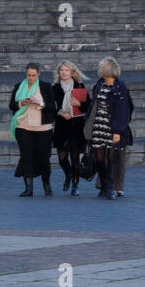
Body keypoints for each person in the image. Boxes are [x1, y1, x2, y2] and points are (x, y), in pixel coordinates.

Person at [85, 56, 131, 200]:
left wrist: (118, 131)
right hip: (98, 126)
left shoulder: (120, 87)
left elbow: (123, 110)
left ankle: (110, 187)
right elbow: (93, 105)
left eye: (101, 67)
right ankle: (104, 186)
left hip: (112, 127)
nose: (99, 70)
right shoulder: (99, 85)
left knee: (111, 159)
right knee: (99, 159)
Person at [9, 62, 56, 196]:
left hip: (43, 128)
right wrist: (21, 103)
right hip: (23, 127)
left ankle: (46, 184)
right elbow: (11, 105)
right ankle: (28, 188)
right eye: (29, 75)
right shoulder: (19, 86)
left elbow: (52, 106)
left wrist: (39, 103)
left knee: (44, 158)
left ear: (39, 74)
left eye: (33, 75)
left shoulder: (46, 86)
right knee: (26, 157)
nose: (31, 78)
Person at [51, 60, 89, 195]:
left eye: (66, 70)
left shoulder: (79, 86)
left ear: (72, 72)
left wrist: (79, 103)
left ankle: (75, 184)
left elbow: (87, 107)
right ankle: (68, 175)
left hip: (76, 125)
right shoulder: (54, 88)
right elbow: (50, 108)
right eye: (61, 70)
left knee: (74, 157)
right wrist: (61, 113)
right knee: (61, 157)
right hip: (62, 125)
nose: (63, 72)